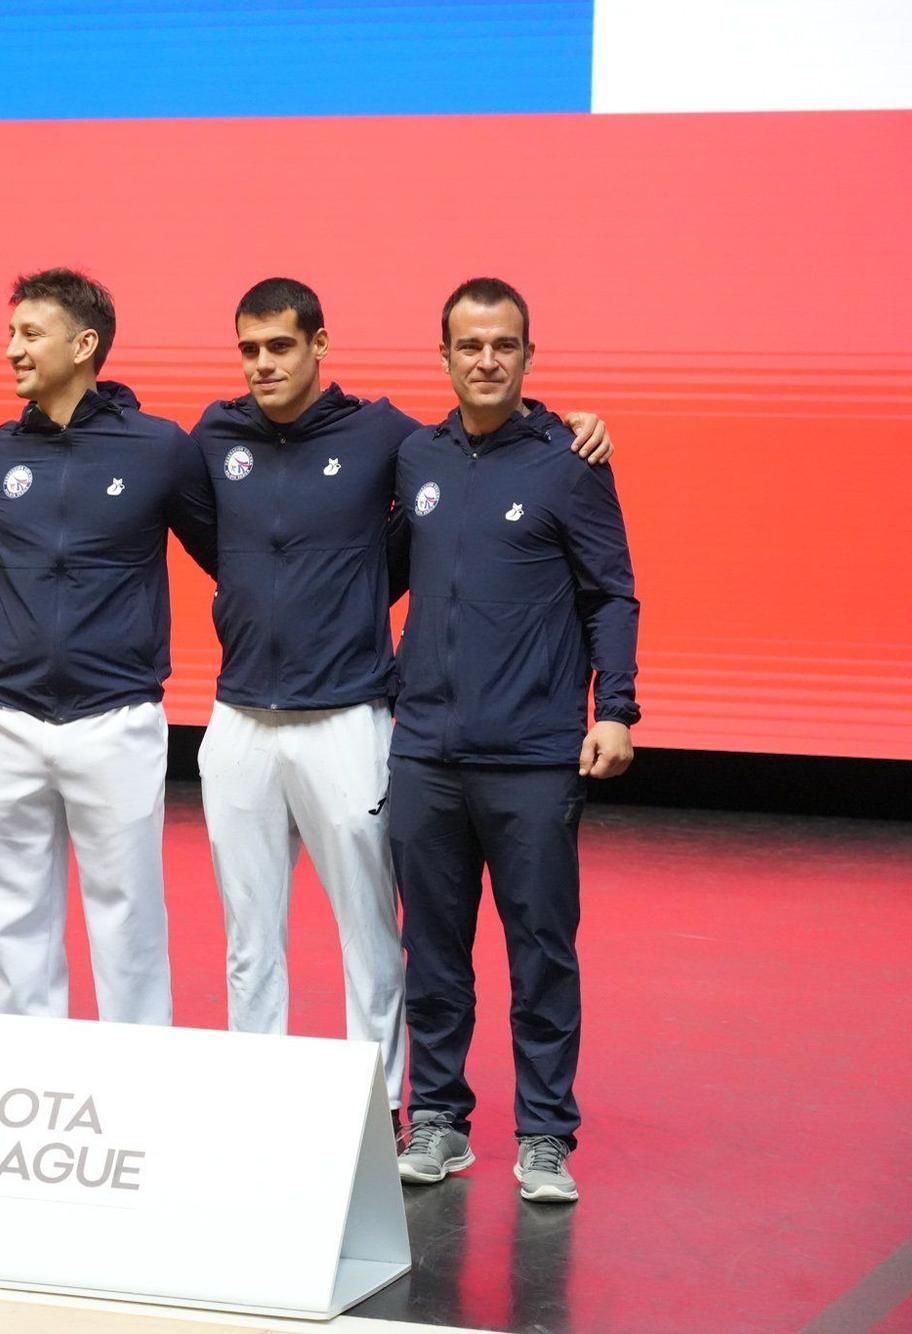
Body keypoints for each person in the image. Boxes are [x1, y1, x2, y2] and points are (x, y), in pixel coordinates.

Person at [192, 277, 614, 1120]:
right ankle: (250, 1104)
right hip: (240, 717)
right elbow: (221, 542)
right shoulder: (215, 433)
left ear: (320, 344)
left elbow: (486, 456)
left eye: (280, 345)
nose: (263, 364)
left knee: (374, 935)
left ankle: (377, 1111)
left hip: (354, 718)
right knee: (248, 940)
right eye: (250, 349)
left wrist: (573, 422)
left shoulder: (388, 435)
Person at [390, 278, 638, 1204]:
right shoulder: (414, 455)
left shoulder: (570, 460)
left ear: (529, 355)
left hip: (535, 754)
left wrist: (615, 707)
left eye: (503, 345)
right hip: (424, 752)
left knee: (541, 949)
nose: (485, 360)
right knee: (434, 950)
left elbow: (612, 592)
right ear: (444, 356)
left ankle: (544, 1136)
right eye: (468, 345)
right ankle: (441, 1120)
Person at [0, 268, 217, 1025]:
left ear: (85, 344)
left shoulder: (161, 447)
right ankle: (26, 1082)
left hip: (117, 720)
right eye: (10, 334)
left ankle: (140, 1086)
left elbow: (234, 558)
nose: (11, 351)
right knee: (15, 919)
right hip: (8, 717)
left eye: (30, 334)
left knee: (127, 918)